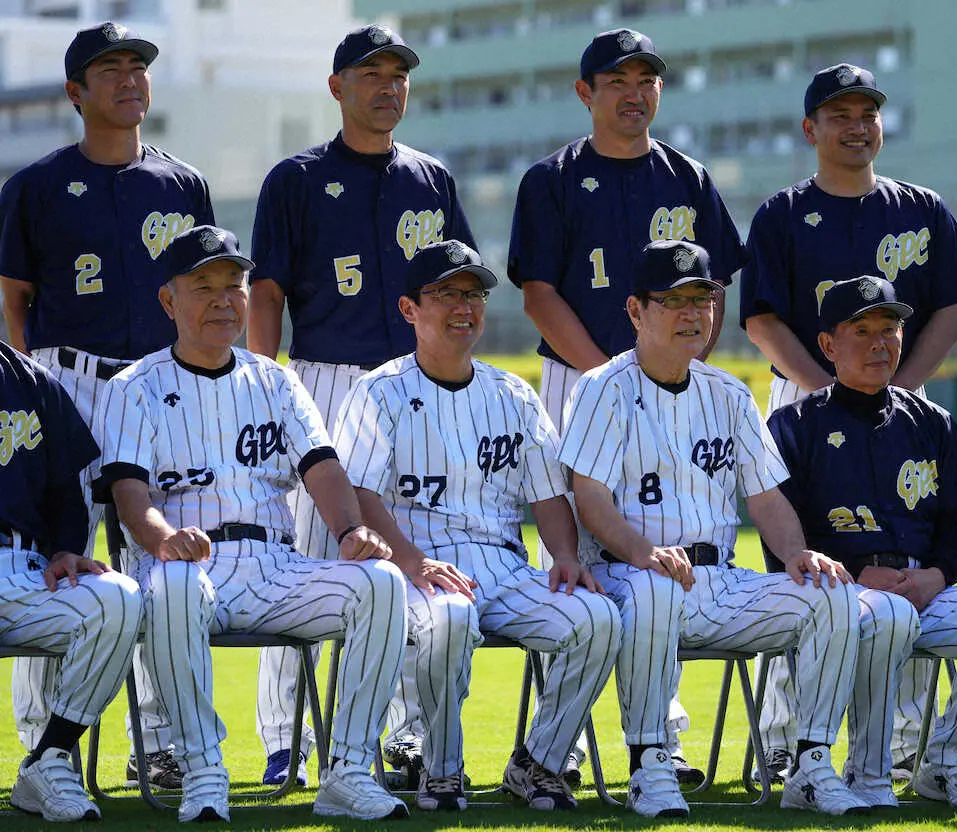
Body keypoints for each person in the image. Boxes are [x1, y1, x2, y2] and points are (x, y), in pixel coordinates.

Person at [98, 225, 411, 822]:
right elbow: (129, 494)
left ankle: (346, 770)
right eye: (204, 287)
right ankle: (201, 768)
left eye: (234, 285)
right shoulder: (133, 387)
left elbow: (321, 471)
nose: (223, 299)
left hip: (275, 564)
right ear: (169, 301)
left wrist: (350, 533)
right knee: (176, 585)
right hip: (184, 566)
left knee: (382, 583)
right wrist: (163, 538)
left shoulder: (275, 380)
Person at [738, 62, 957, 779]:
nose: (856, 126)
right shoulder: (783, 213)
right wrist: (832, 394)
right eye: (840, 114)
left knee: (905, 562)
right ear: (810, 128)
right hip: (800, 399)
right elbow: (760, 317)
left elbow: (951, 307)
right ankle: (787, 739)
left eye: (867, 113)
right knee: (807, 578)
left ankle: (903, 742)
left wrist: (895, 390)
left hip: (899, 406)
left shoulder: (921, 207)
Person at [508, 27, 744, 783]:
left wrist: (676, 365)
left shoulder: (689, 178)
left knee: (662, 551)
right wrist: (616, 368)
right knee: (569, 562)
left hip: (674, 386)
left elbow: (718, 290)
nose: (634, 92)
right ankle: (562, 742)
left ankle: (661, 737)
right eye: (617, 81)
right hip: (580, 381)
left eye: (646, 79)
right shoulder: (551, 179)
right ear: (587, 94)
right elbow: (539, 292)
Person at [559, 240, 866, 818]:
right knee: (653, 587)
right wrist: (643, 552)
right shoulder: (602, 387)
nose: (693, 313)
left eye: (703, 299)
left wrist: (799, 554)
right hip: (627, 573)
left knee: (833, 596)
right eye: (674, 300)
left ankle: (811, 762)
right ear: (635, 311)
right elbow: (590, 500)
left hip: (719, 578)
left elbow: (767, 496)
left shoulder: (728, 392)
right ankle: (652, 762)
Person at [247, 23, 476, 786]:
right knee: (309, 560)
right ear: (337, 86)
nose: (388, 86)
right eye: (371, 73)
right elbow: (268, 290)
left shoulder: (431, 179)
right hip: (326, 381)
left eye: (399, 74)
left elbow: (461, 285)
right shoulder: (298, 177)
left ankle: (405, 737)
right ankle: (286, 737)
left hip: (416, 389)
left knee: (412, 562)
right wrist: (262, 380)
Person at [333, 240, 621, 812]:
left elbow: (547, 494)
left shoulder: (512, 393)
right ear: (410, 309)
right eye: (445, 294)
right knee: (450, 618)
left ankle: (538, 761)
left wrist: (564, 555)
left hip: (504, 563)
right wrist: (410, 561)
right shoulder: (378, 390)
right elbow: (359, 492)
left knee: (598, 617)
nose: (464, 307)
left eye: (474, 294)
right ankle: (441, 768)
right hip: (415, 562)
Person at [0, 20, 214, 790]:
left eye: (138, 66)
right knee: (51, 549)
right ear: (75, 92)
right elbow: (15, 300)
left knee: (159, 551)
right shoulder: (34, 185)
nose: (129, 79)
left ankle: (155, 739)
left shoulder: (182, 184)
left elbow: (203, 289)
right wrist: (45, 379)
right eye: (109, 68)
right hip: (67, 378)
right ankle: (41, 740)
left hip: (158, 383)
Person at [768, 275, 957, 810]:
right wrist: (854, 573)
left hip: (923, 585)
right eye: (860, 330)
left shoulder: (932, 422)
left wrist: (938, 575)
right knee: (888, 616)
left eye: (889, 328)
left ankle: (946, 763)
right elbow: (780, 532)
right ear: (827, 345)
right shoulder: (795, 424)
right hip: (839, 593)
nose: (879, 342)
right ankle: (869, 775)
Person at [0, 340, 141, 822]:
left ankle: (49, 759)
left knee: (116, 600)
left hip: (23, 567)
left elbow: (65, 489)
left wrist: (65, 549)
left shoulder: (30, 381)